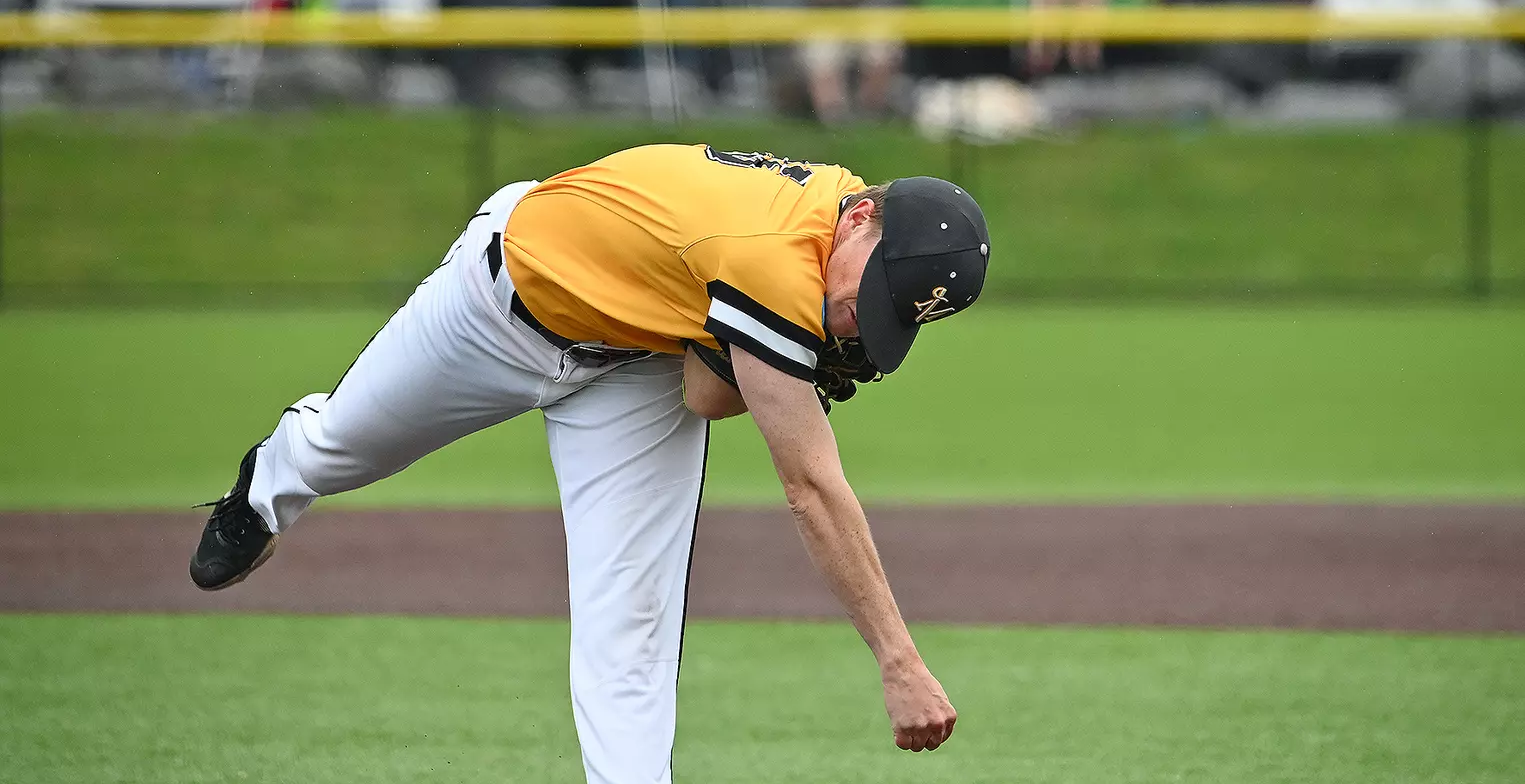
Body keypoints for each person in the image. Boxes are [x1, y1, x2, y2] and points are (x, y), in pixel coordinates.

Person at [188, 143, 990, 783]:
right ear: (858, 219)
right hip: (499, 306)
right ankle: (272, 479)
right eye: (871, 294)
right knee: (344, 448)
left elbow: (703, 394)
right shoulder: (773, 255)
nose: (856, 320)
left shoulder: (831, 226)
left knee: (632, 623)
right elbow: (812, 488)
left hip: (634, 365)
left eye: (886, 315)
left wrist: (779, 363)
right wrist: (899, 662)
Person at [798, 0, 904, 123]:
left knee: (881, 49)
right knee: (821, 55)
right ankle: (835, 117)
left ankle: (871, 114)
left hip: (861, 22)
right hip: (828, 23)